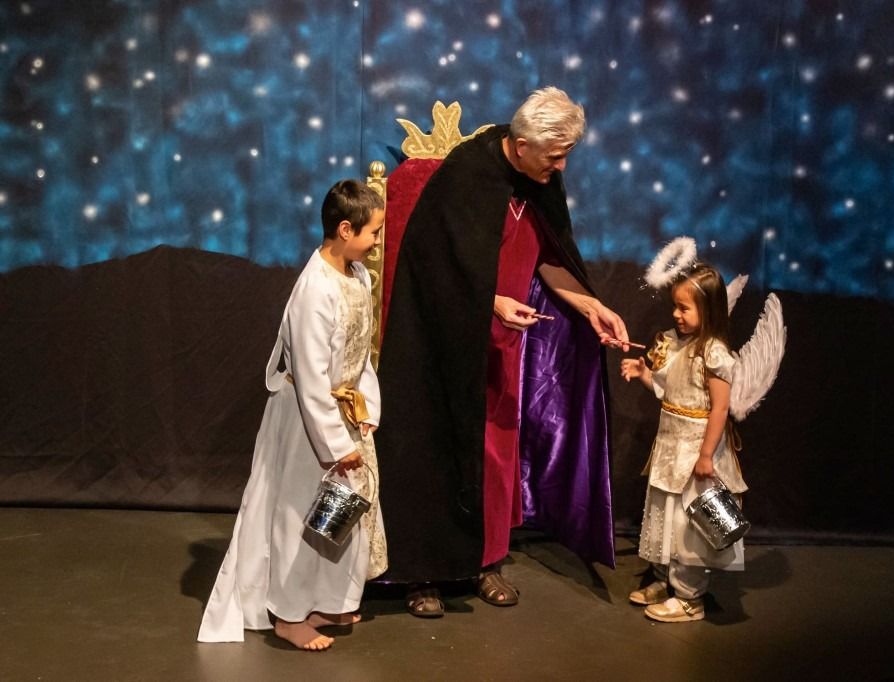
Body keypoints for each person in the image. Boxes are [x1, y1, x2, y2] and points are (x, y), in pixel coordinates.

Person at [376, 87, 630, 617]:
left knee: (496, 453)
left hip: (501, 344)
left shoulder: (540, 181)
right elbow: (433, 266)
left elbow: (549, 258)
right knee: (435, 447)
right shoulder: (466, 175)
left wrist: (591, 306)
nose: (561, 167)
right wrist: (490, 303)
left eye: (566, 155)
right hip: (442, 341)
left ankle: (485, 561)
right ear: (521, 144)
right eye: (554, 156)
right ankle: (423, 572)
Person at [198, 180, 388, 649]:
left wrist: (366, 407)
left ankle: (326, 600)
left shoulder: (357, 276)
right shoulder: (315, 291)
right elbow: (309, 375)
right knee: (298, 512)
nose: (377, 242)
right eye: (373, 232)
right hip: (309, 422)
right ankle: (288, 615)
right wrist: (336, 445)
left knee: (339, 512)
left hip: (344, 414)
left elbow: (360, 354)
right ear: (345, 230)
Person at [619, 262, 748, 622]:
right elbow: (669, 392)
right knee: (666, 515)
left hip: (695, 451)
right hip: (670, 448)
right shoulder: (677, 345)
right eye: (674, 306)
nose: (676, 314)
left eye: (684, 308)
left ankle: (690, 597)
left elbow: (719, 408)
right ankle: (665, 579)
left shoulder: (714, 353)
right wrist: (644, 373)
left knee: (689, 527)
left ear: (709, 310)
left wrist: (706, 455)